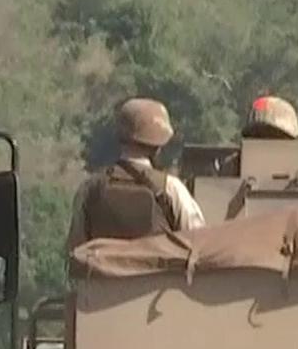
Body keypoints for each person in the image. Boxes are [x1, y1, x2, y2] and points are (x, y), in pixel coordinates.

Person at [66, 98, 205, 258]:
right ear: (158, 147)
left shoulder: (90, 187)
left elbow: (75, 249)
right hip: (160, 282)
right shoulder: (170, 188)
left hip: (101, 281)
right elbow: (198, 244)